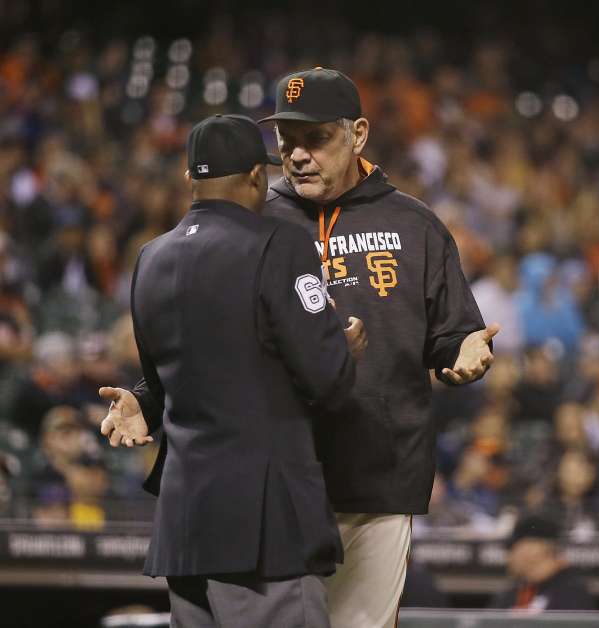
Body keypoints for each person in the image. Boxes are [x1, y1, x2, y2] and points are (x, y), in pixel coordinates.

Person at [103, 69, 496, 628]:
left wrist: (464, 353)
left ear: (357, 134)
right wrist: (147, 395)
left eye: (316, 139)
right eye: (286, 141)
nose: (298, 155)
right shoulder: (249, 215)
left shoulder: (416, 225)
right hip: (274, 491)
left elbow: (452, 332)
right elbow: (201, 333)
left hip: (374, 479)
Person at [105, 114, 362, 627]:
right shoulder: (279, 245)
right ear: (254, 177)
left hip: (185, 528)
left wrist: (141, 402)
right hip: (266, 531)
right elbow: (329, 381)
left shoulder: (149, 259)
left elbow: (164, 378)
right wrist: (343, 346)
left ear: (189, 180)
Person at [490, 514, 595, 611]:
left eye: (512, 549)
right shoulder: (512, 593)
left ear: (534, 550)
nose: (509, 557)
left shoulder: (571, 592)